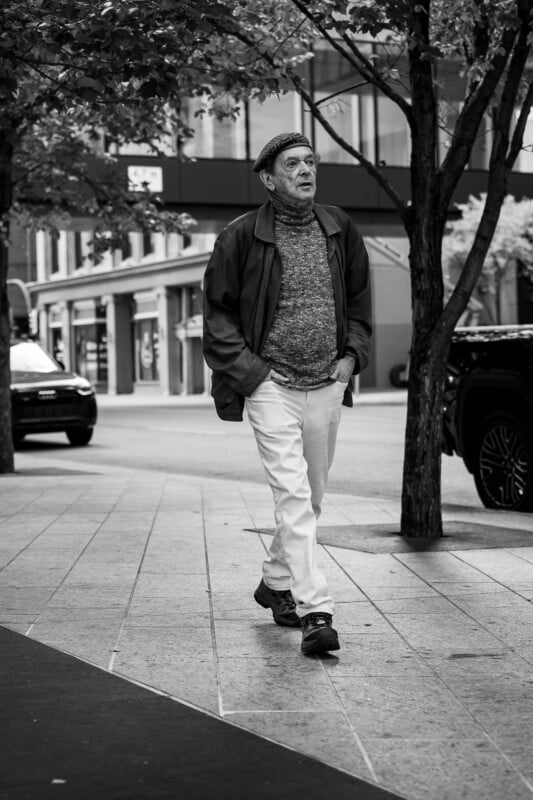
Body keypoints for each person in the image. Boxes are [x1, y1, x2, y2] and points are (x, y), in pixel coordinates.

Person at [203, 132, 372, 655]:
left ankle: (275, 579)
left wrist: (351, 359)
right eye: (292, 164)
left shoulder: (339, 226)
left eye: (310, 162)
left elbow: (361, 302)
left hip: (327, 381)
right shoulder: (241, 237)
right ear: (269, 178)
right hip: (270, 384)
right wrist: (252, 376)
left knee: (312, 498)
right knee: (294, 496)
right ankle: (316, 610)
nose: (305, 170)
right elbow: (218, 318)